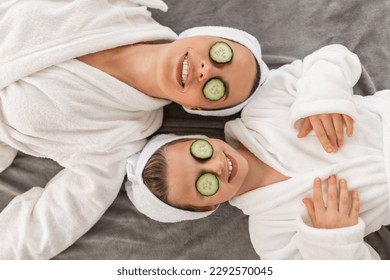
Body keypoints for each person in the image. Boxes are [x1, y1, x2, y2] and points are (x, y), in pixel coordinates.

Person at [0, 0, 269, 259]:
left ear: (196, 109)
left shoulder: (121, 139)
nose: (207, 70)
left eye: (217, 89)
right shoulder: (119, 7)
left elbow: (52, 222)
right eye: (220, 54)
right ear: (200, 35)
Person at [125, 43, 390, 259]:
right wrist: (333, 241)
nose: (215, 166)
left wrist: (323, 96)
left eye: (200, 152)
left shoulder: (265, 107)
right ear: (207, 207)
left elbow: (332, 57)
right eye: (203, 184)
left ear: (200, 137)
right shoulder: (271, 237)